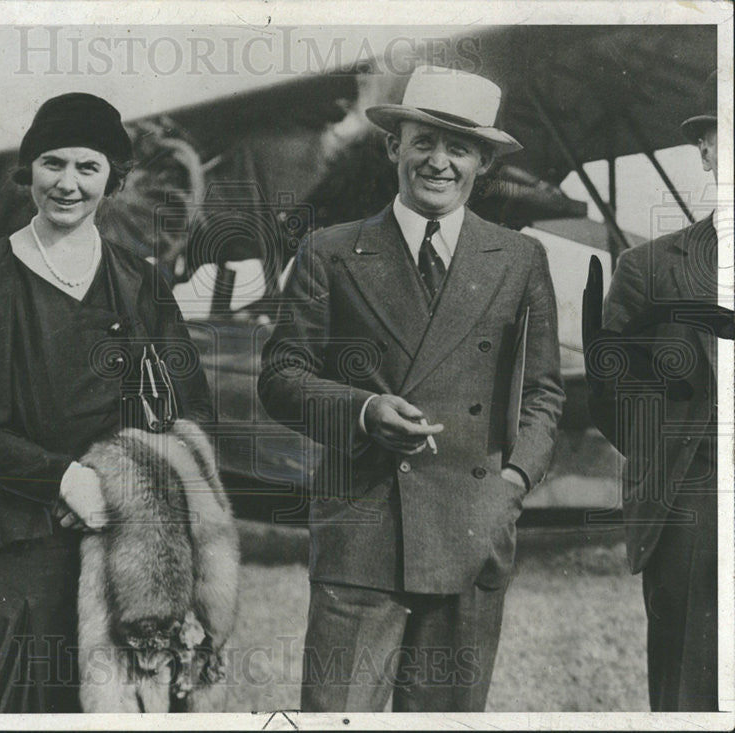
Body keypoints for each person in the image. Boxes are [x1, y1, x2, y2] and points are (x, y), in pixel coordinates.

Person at [258, 65, 564, 712]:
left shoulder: (518, 260)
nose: (439, 161)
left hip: (471, 531)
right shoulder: (329, 251)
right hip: (361, 532)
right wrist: (363, 410)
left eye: (459, 148)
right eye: (424, 140)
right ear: (393, 145)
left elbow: (541, 393)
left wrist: (511, 485)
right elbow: (281, 377)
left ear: (482, 162)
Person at [0, 92, 213, 713]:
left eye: (89, 167)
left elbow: (191, 414)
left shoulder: (142, 281)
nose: (68, 183)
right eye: (53, 163)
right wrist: (59, 479)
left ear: (112, 179)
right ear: (28, 170)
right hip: (9, 542)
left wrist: (118, 486)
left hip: (119, 554)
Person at [587, 70, 719, 711]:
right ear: (708, 152)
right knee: (692, 689)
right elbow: (614, 401)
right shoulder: (648, 268)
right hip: (694, 504)